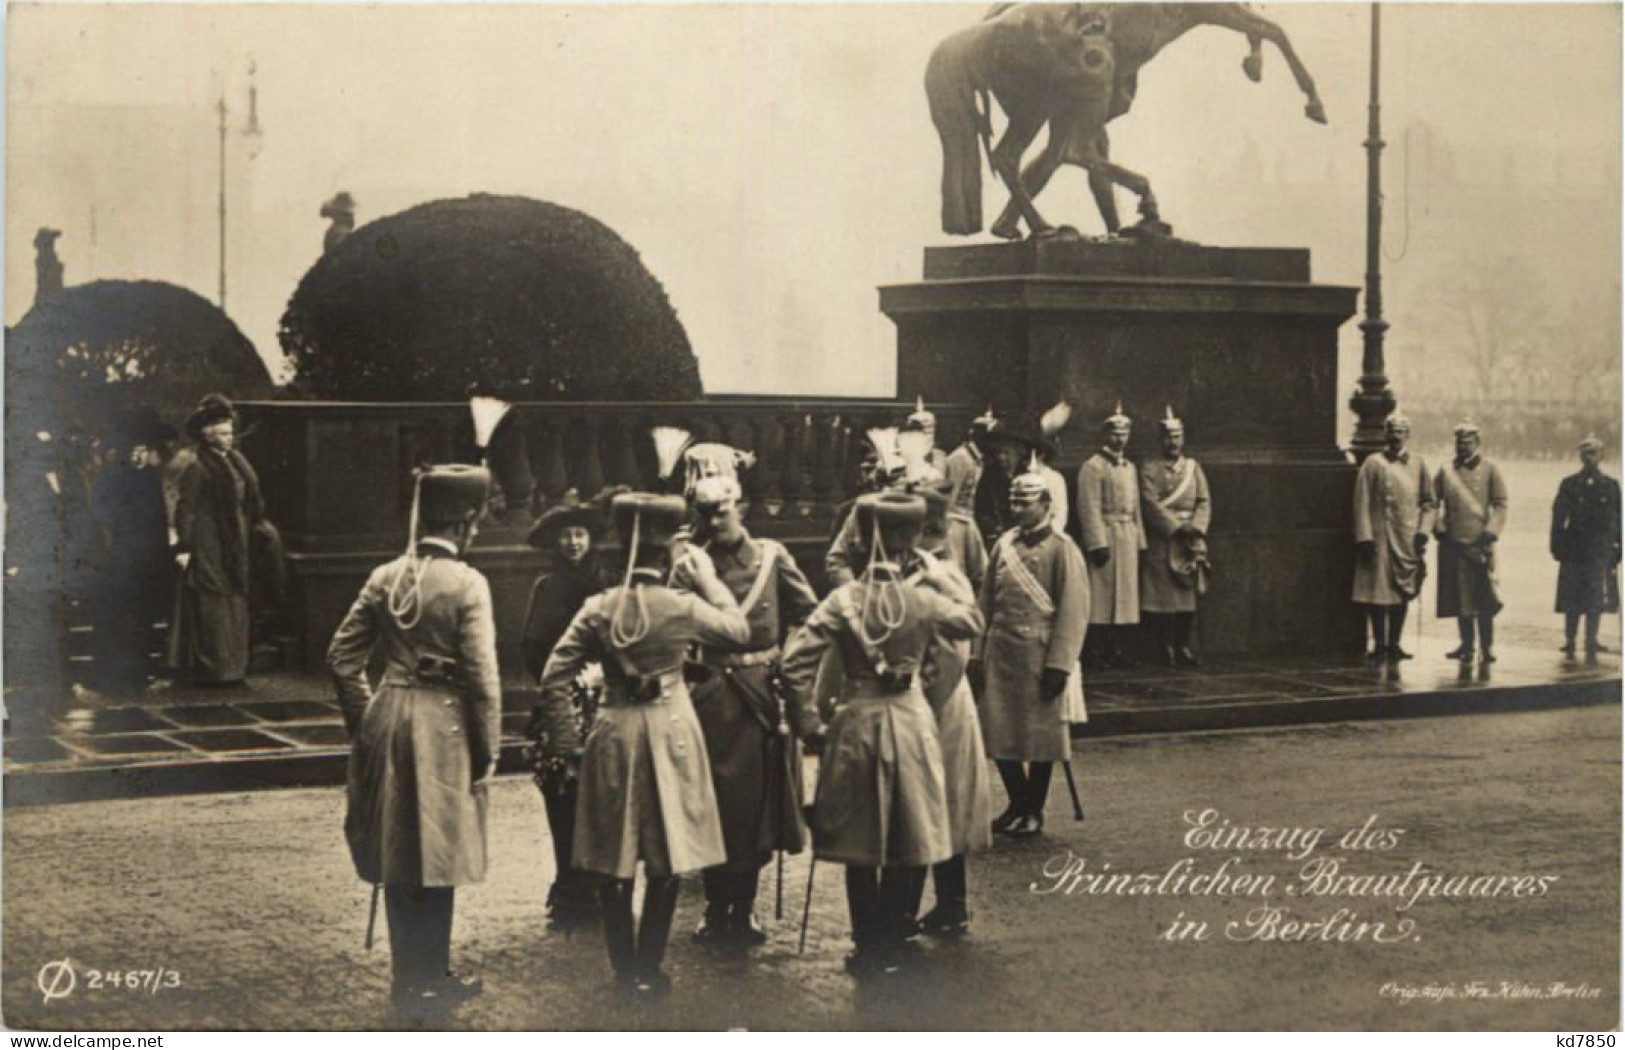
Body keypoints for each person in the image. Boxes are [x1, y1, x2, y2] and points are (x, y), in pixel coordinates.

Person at [535, 493, 748, 997]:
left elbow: (552, 677)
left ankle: (623, 967)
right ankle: (649, 970)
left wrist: (567, 744)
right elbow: (738, 630)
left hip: (613, 730)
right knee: (666, 849)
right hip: (672, 729)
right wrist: (708, 580)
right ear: (666, 552)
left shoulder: (599, 607)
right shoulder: (682, 605)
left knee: (615, 850)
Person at [780, 492, 982, 974]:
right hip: (911, 718)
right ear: (910, 542)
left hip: (857, 719)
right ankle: (894, 932)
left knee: (861, 837)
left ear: (865, 540)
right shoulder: (923, 597)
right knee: (910, 827)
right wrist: (938, 576)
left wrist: (809, 723)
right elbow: (972, 621)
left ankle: (867, 942)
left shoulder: (843, 600)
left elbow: (794, 666)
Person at [326, 465, 500, 1019]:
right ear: (467, 520)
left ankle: (413, 978)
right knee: (438, 850)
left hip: (387, 714)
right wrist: (488, 748)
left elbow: (341, 659)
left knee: (399, 847)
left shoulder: (385, 576)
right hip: (444, 726)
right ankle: (430, 978)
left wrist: (365, 723)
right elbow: (482, 679)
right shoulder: (469, 583)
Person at [670, 449, 819, 946]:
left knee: (755, 808)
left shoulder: (773, 557)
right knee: (713, 804)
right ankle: (716, 907)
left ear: (742, 506)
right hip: (710, 697)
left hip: (761, 695)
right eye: (706, 512)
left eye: (724, 510)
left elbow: (811, 616)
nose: (716, 520)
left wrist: (789, 662)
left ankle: (745, 907)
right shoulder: (691, 564)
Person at [970, 464, 1089, 837]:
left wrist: (1060, 664)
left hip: (1039, 654)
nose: (1017, 509)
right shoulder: (1003, 544)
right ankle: (1017, 803)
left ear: (1046, 504)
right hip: (1002, 653)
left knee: (1040, 738)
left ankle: (1033, 809)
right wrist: (975, 652)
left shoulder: (1063, 549)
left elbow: (1073, 611)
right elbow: (984, 603)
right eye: (1014, 502)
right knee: (999, 733)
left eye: (1026, 502)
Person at [519, 488, 615, 927]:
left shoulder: (608, 583)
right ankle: (570, 889)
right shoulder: (548, 587)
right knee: (564, 796)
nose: (574, 543)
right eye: (567, 536)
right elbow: (533, 646)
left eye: (580, 535)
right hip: (565, 701)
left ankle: (597, 886)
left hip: (606, 698)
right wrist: (566, 680)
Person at [907, 482, 993, 934]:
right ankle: (946, 903)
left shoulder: (940, 576)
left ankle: (938, 904)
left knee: (932, 804)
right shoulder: (923, 571)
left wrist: (918, 703)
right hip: (928, 703)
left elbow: (952, 657)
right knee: (935, 802)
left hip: (936, 704)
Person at [168, 393, 267, 686]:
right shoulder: (198, 466)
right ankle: (215, 667)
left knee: (235, 597)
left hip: (235, 537)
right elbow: (186, 508)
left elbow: (249, 500)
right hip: (208, 541)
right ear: (207, 435)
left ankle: (234, 665)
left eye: (231, 432)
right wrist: (185, 546)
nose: (230, 438)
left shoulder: (237, 461)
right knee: (213, 601)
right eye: (223, 433)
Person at [85, 406, 176, 694]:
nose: (143, 455)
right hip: (121, 560)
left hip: (143, 559)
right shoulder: (112, 479)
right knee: (120, 616)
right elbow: (105, 520)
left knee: (140, 617)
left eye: (145, 449)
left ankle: (135, 671)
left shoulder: (148, 477)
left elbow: (158, 522)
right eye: (137, 449)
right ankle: (115, 674)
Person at [1350, 416, 1433, 662]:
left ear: (1408, 435)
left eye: (1401, 431)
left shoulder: (1418, 464)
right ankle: (1379, 644)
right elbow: (1361, 502)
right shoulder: (1373, 463)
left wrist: (1422, 532)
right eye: (1392, 431)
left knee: (1401, 590)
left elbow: (1429, 503)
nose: (1396, 436)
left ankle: (1395, 644)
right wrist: (1364, 536)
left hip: (1406, 538)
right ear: (1386, 435)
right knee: (1378, 592)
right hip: (1379, 537)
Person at [1139, 407, 1213, 666]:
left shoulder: (1193, 468)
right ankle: (1165, 647)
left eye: (1178, 436)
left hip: (1189, 542)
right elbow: (1150, 502)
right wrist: (1175, 527)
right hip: (1164, 539)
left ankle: (1183, 646)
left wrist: (1197, 527)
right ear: (1160, 440)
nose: (1173, 442)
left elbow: (1203, 500)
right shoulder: (1150, 468)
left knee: (1186, 596)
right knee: (1161, 598)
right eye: (1168, 437)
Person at [1076, 403, 1145, 668]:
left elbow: (1135, 505)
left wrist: (1140, 541)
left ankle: (1118, 648)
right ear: (1105, 435)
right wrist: (1097, 543)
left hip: (1126, 535)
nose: (1120, 438)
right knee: (1101, 597)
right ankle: (1095, 649)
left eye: (1125, 433)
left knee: (1125, 597)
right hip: (1105, 535)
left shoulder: (1129, 467)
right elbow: (1088, 506)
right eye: (1115, 433)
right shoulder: (1093, 467)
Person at [1434, 422, 1509, 663]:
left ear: (1477, 443)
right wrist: (1439, 526)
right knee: (1461, 597)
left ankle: (1487, 648)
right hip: (1454, 543)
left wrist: (1491, 531)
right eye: (1459, 442)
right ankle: (1466, 645)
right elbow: (1430, 501)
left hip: (1480, 543)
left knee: (1484, 598)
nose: (1462, 446)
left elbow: (1500, 503)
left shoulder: (1490, 469)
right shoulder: (1446, 471)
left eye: (1467, 442)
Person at [1551, 436, 1621, 658]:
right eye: (1585, 453)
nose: (1589, 458)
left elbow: (1618, 521)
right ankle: (1570, 639)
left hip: (1598, 550)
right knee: (1571, 596)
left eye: (1593, 453)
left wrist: (1618, 548)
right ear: (1580, 456)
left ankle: (1591, 639)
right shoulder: (1569, 484)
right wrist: (1557, 545)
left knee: (1595, 597)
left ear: (1602, 456)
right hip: (1574, 549)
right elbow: (1558, 518)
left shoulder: (1611, 486)